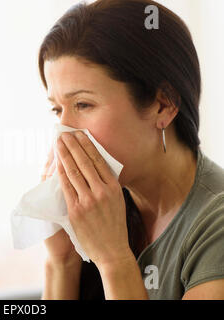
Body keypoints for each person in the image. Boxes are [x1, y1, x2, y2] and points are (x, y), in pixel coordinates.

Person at [38, 0, 224, 300]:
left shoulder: (216, 226)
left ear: (163, 105)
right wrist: (61, 261)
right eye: (57, 110)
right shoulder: (103, 206)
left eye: (83, 104)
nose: (64, 132)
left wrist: (114, 260)